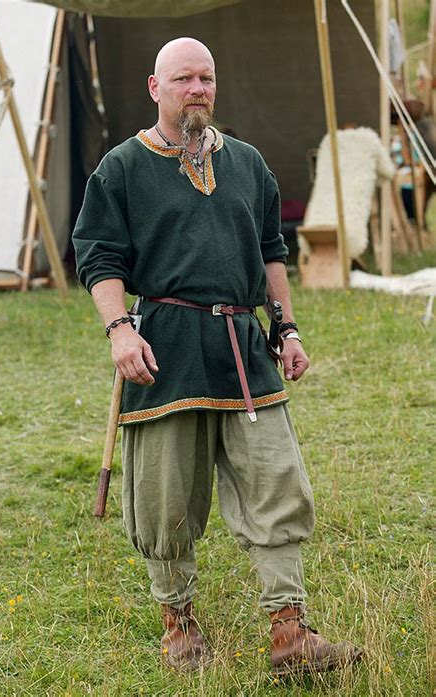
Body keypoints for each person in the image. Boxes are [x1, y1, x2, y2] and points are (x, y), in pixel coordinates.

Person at [73, 37, 361, 675]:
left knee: (276, 480)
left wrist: (285, 329)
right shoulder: (121, 168)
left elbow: (270, 253)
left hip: (243, 346)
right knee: (165, 496)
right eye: (183, 79)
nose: (197, 89)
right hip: (166, 349)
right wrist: (122, 330)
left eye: (205, 78)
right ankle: (179, 624)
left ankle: (289, 632)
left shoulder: (249, 164)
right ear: (156, 88)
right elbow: (98, 256)